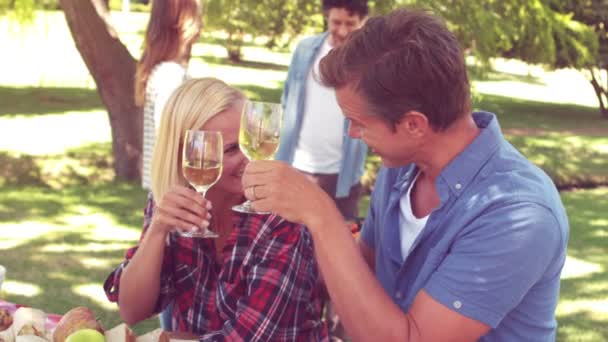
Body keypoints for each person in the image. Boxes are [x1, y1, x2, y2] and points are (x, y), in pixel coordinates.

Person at [242, 8, 569, 342]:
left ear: (414, 125)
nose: (352, 134)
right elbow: (362, 268)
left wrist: (322, 215)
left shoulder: (518, 216)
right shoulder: (402, 168)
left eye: (359, 122)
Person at [104, 78, 327, 341]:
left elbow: (250, 338)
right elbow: (132, 311)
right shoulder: (172, 201)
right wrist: (157, 230)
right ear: (187, 156)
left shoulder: (281, 216)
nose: (251, 158)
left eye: (252, 140)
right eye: (234, 149)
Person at [276, 0, 369, 222]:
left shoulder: (369, 61)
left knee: (342, 246)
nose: (343, 31)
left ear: (363, 21)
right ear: (326, 16)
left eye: (351, 23)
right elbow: (288, 99)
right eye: (336, 22)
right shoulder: (305, 50)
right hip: (297, 167)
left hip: (342, 176)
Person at [136, 0, 202, 192]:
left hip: (167, 191)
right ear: (183, 20)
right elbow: (168, 138)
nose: (200, 22)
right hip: (173, 192)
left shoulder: (165, 71)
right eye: (197, 13)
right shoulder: (170, 75)